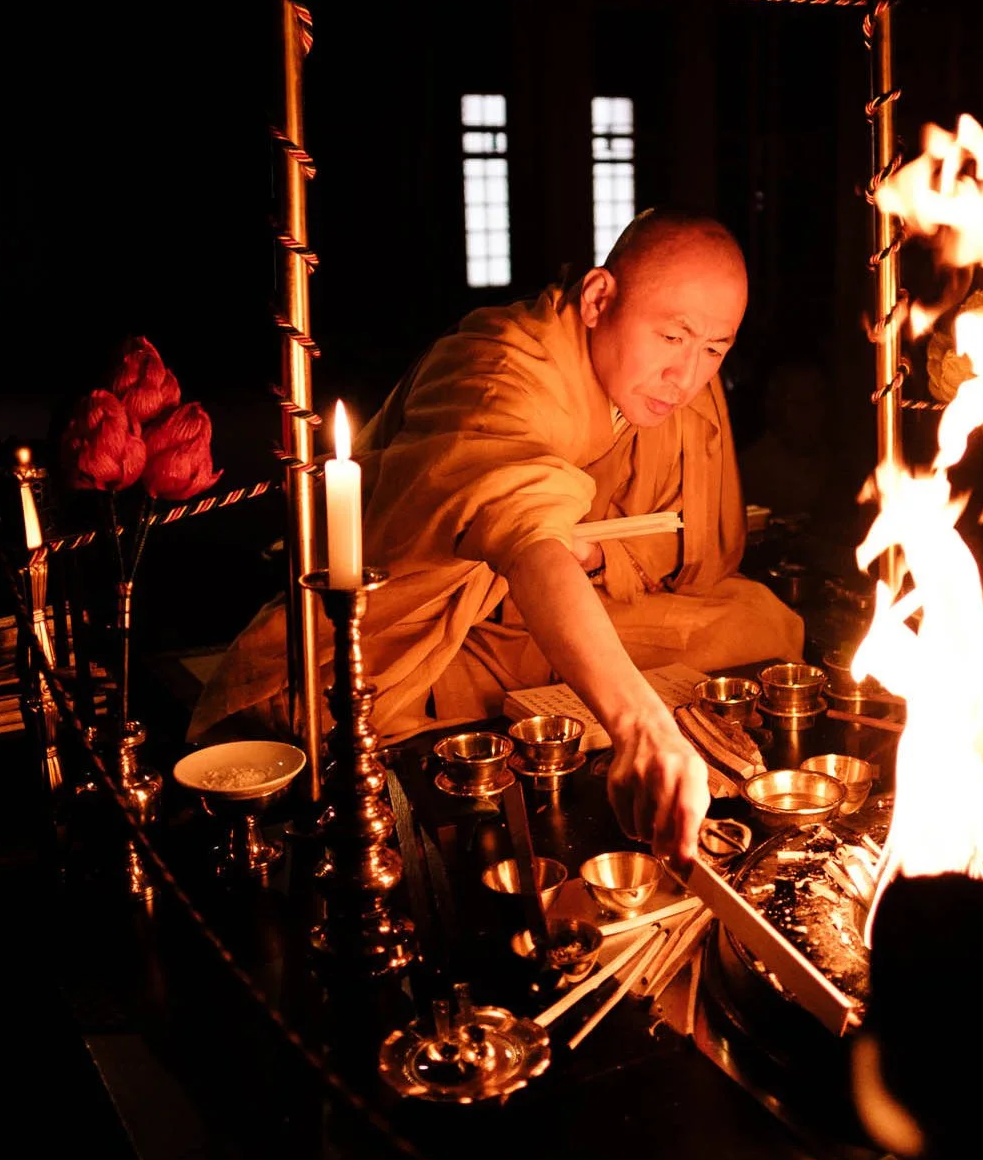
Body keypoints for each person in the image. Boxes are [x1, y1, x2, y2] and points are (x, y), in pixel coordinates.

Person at [190, 209, 803, 863]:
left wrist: (597, 553)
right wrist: (639, 724)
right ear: (598, 299)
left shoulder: (673, 389)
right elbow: (526, 530)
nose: (687, 377)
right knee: (333, 711)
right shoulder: (497, 366)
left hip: (559, 604)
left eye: (715, 350)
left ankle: (575, 690)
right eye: (673, 337)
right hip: (428, 631)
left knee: (760, 618)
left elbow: (703, 544)